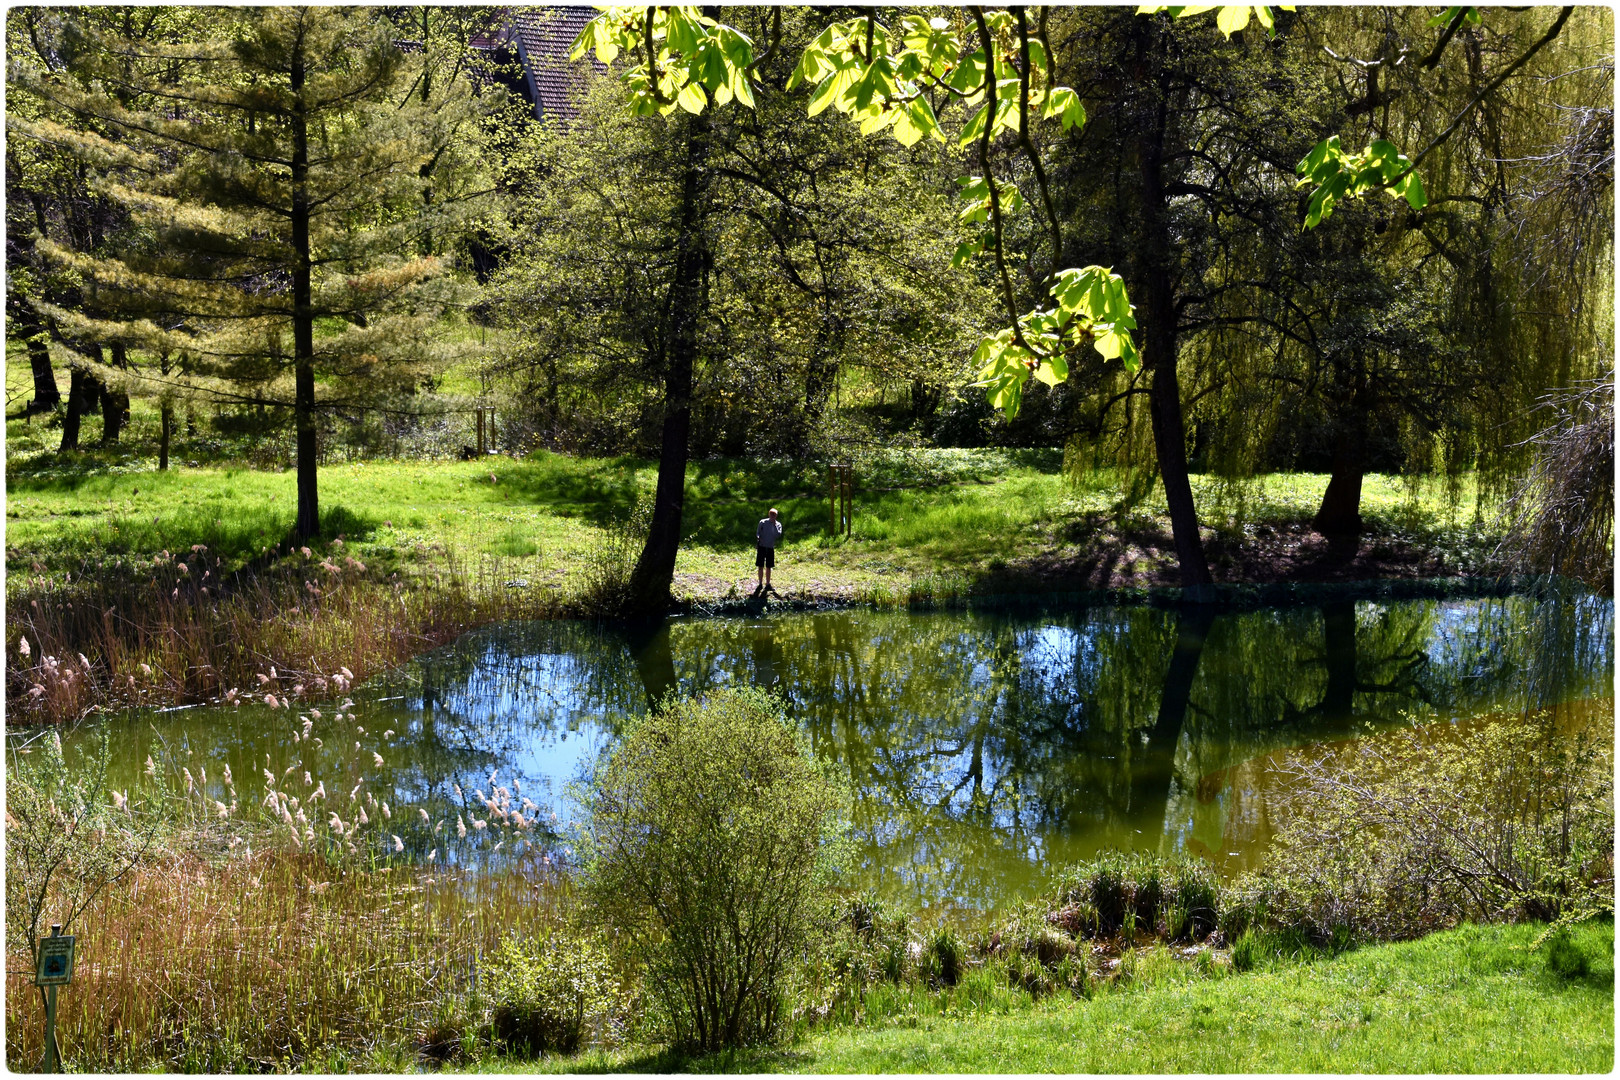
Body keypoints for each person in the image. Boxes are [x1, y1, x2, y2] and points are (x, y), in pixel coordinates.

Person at [755, 507, 783, 593]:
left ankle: (768, 583)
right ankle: (760, 583)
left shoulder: (778, 524)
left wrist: (774, 525)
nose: (772, 517)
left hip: (770, 547)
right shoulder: (762, 522)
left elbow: (778, 535)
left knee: (769, 566)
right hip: (762, 546)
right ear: (769, 514)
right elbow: (758, 533)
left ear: (776, 516)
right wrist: (758, 538)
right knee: (760, 565)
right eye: (771, 515)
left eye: (774, 515)